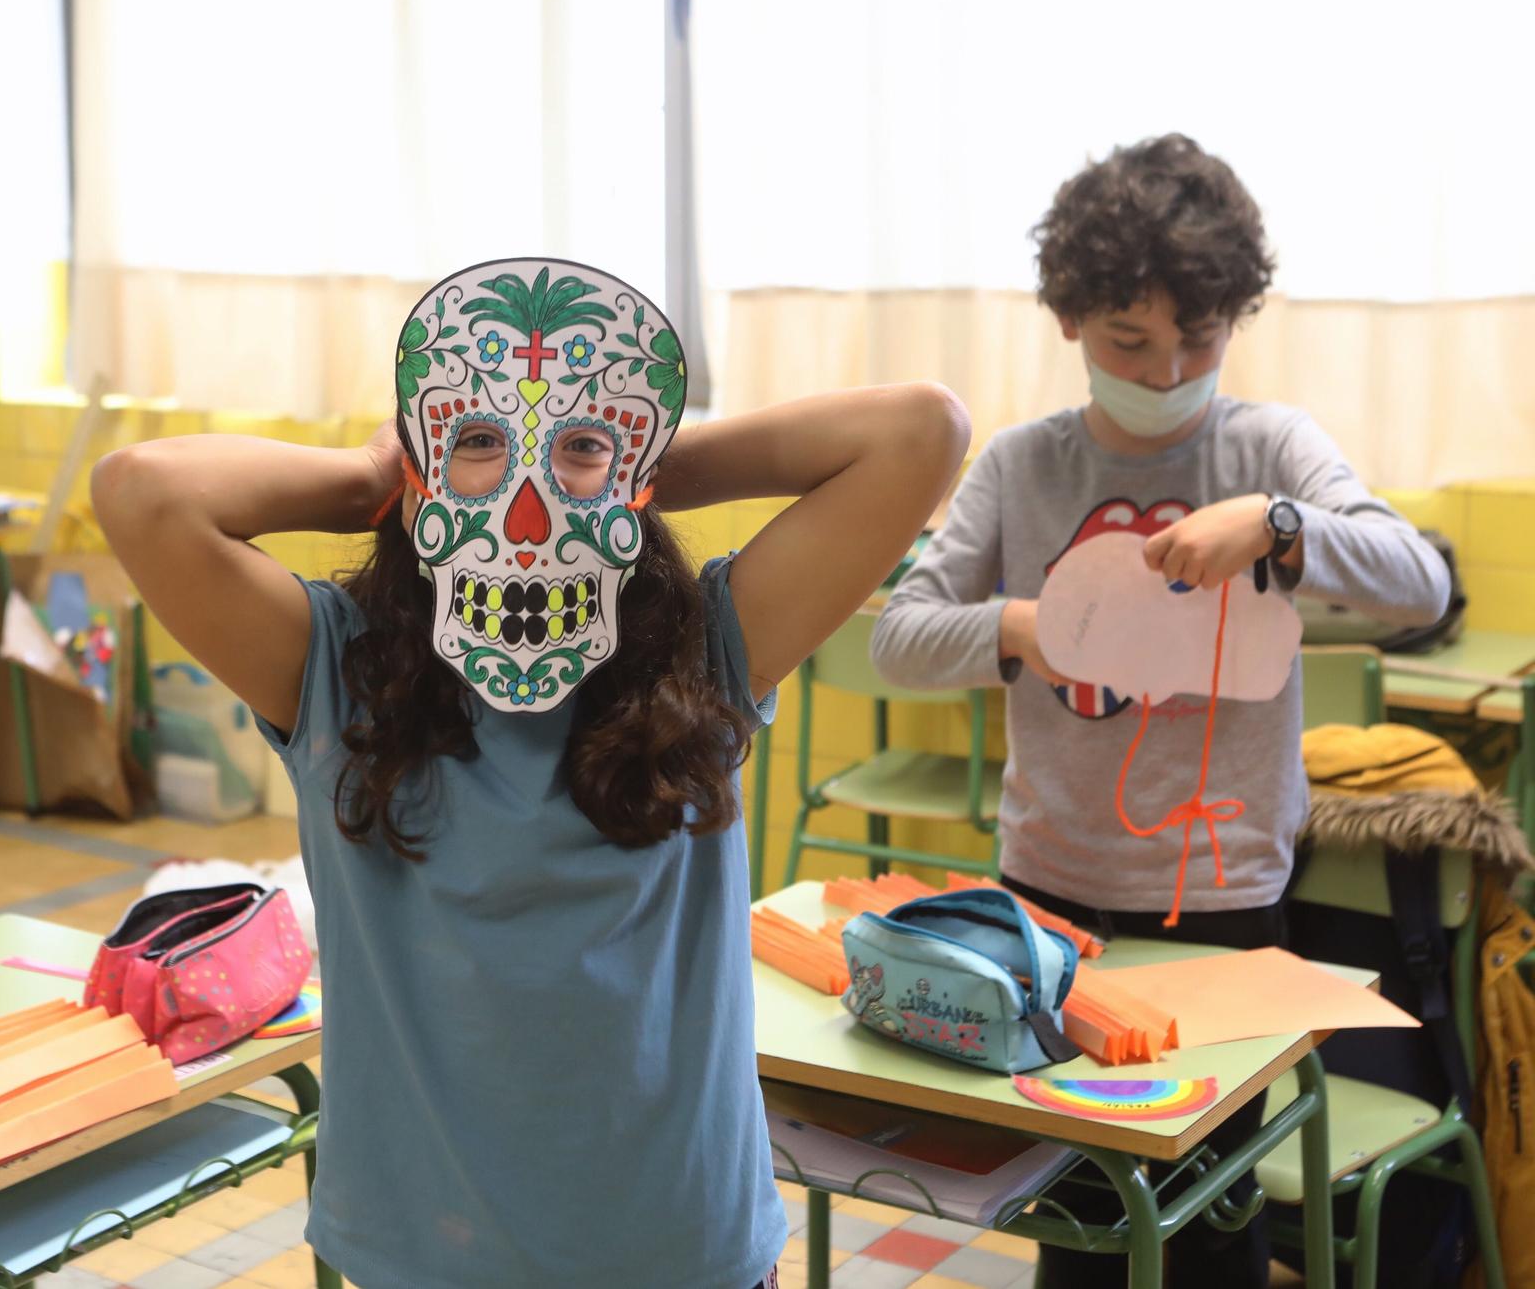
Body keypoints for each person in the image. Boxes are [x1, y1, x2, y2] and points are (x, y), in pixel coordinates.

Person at [94, 257, 968, 1289]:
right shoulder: (335, 671)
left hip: (675, 1249)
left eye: (582, 447)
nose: (522, 507)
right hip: (427, 1255)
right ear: (422, 471)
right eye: (475, 444)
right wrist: (365, 479)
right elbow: (140, 493)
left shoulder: (707, 651)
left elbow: (921, 433)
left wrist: (614, 469)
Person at [872, 135, 1451, 1286]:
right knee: (1076, 1205)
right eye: (1127, 341)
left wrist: (1280, 526)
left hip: (1223, 899)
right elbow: (896, 636)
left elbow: (1418, 582)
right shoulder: (1020, 465)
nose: (1162, 368)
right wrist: (1024, 628)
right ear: (1069, 322)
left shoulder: (1266, 446)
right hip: (1049, 900)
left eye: (1197, 338)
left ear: (1234, 317)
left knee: (1209, 1208)